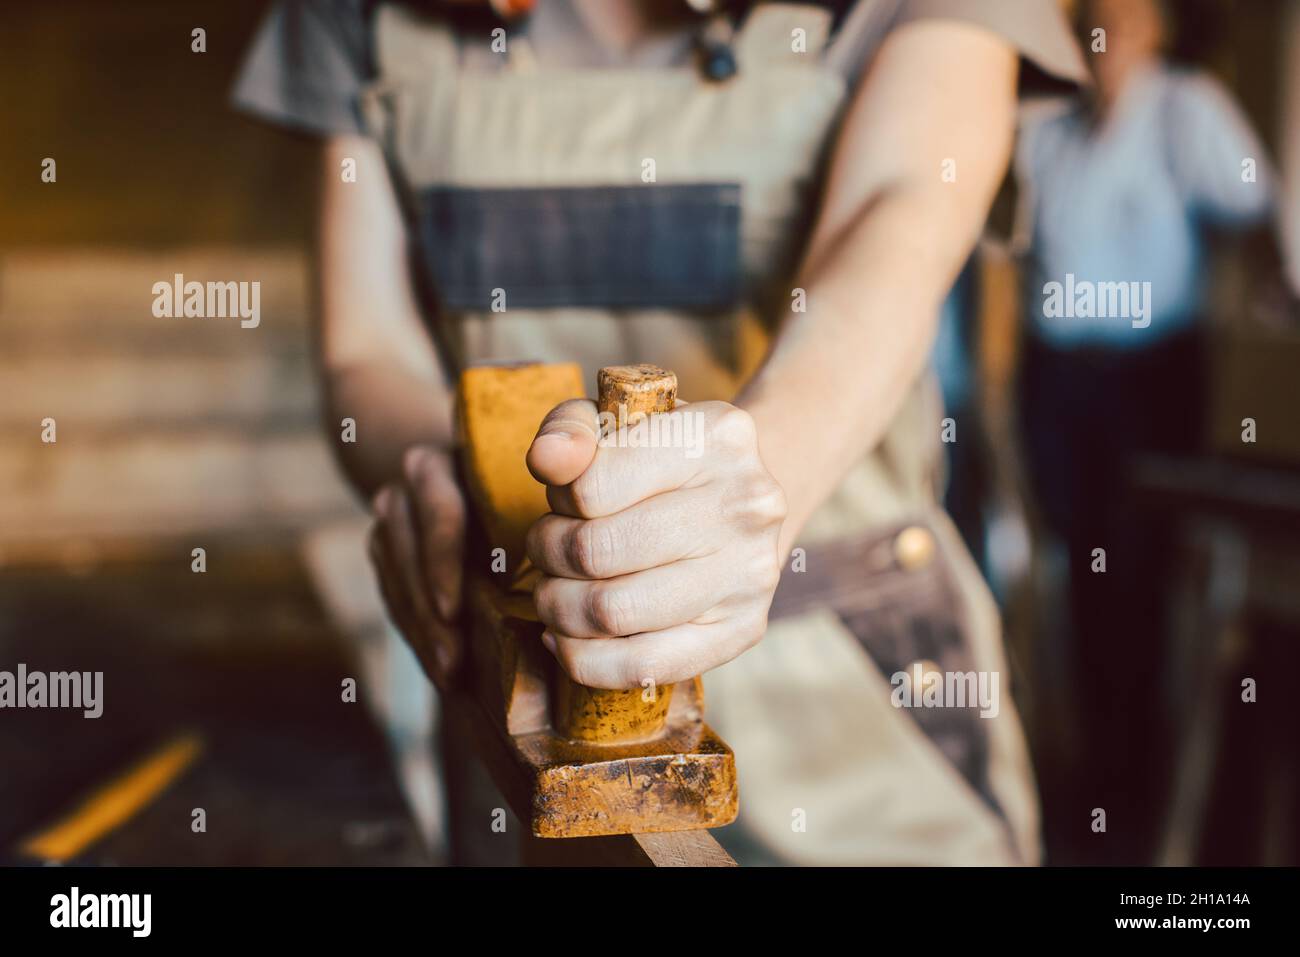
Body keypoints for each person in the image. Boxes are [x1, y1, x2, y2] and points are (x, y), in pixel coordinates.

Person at [234, 0, 1085, 865]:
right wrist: (430, 476)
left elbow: (898, 210)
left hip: (850, 681)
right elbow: (366, 349)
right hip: (523, 691)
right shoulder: (355, 18)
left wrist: (757, 481)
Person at [1014, 0, 1276, 861]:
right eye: (1090, 18)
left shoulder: (1185, 107)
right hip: (1060, 379)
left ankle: (1138, 780)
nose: (1103, 33)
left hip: (1146, 376)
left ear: (1157, 28)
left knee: (1137, 574)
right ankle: (1093, 770)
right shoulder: (1049, 126)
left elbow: (1253, 197)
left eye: (1122, 19)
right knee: (1077, 570)